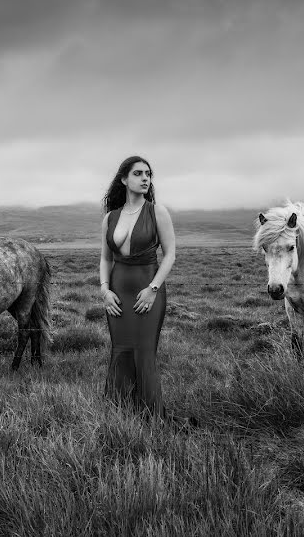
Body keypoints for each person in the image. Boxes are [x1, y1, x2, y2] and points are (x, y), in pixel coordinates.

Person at [99, 156, 176, 417]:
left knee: (143, 353)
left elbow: (170, 254)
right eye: (138, 173)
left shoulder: (157, 212)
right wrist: (105, 290)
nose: (145, 178)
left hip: (148, 291)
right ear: (124, 179)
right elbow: (105, 258)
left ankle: (151, 416)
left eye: (148, 174)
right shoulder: (110, 218)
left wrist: (153, 288)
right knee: (120, 351)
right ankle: (119, 413)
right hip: (118, 292)